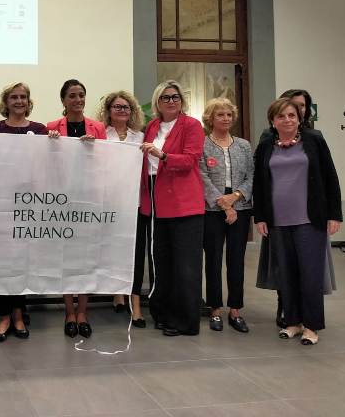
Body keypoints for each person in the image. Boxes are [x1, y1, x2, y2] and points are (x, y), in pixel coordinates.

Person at [253, 97, 342, 345]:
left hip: (310, 219)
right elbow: (259, 183)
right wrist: (260, 217)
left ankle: (312, 326)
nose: (287, 120)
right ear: (273, 120)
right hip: (278, 221)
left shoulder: (313, 140)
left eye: (292, 115)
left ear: (300, 118)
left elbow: (330, 177)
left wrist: (335, 214)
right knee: (287, 274)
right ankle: (292, 322)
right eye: (281, 116)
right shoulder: (266, 144)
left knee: (310, 274)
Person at [139, 80, 205, 337]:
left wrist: (162, 155)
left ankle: (185, 321)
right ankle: (164, 314)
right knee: (161, 263)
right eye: (165, 97)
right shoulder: (152, 126)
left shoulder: (192, 125)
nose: (171, 101)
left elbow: (190, 160)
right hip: (157, 201)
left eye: (175, 97)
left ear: (182, 101)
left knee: (185, 266)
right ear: (158, 102)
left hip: (184, 203)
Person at [0, 82, 47, 342]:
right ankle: (4, 316)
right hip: (2, 203)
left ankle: (19, 315)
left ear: (28, 101)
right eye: (14, 97)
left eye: (23, 97)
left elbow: (47, 163)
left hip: (28, 203)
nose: (19, 101)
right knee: (3, 261)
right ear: (6, 101)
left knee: (23, 260)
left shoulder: (40, 130)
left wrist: (55, 144)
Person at [47, 79, 107, 338]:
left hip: (89, 198)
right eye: (72, 95)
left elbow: (107, 161)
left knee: (86, 257)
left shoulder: (98, 127)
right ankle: (69, 312)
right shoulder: (52, 127)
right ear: (63, 100)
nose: (78, 100)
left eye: (81, 95)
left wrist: (94, 150)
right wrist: (51, 145)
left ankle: (83, 312)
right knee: (65, 257)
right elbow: (46, 164)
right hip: (62, 200)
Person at [199, 98, 254, 333]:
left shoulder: (244, 146)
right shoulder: (202, 144)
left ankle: (235, 310)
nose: (225, 118)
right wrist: (223, 203)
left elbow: (252, 176)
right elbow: (202, 176)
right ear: (210, 118)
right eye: (220, 114)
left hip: (241, 209)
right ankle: (215, 309)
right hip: (212, 210)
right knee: (213, 260)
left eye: (229, 114)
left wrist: (236, 197)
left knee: (236, 260)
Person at [98, 91, 147, 323]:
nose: (122, 110)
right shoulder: (101, 135)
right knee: (111, 249)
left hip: (134, 203)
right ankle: (117, 292)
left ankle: (135, 302)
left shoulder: (140, 137)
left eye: (126, 107)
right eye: (117, 107)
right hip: (109, 202)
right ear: (109, 111)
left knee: (134, 253)